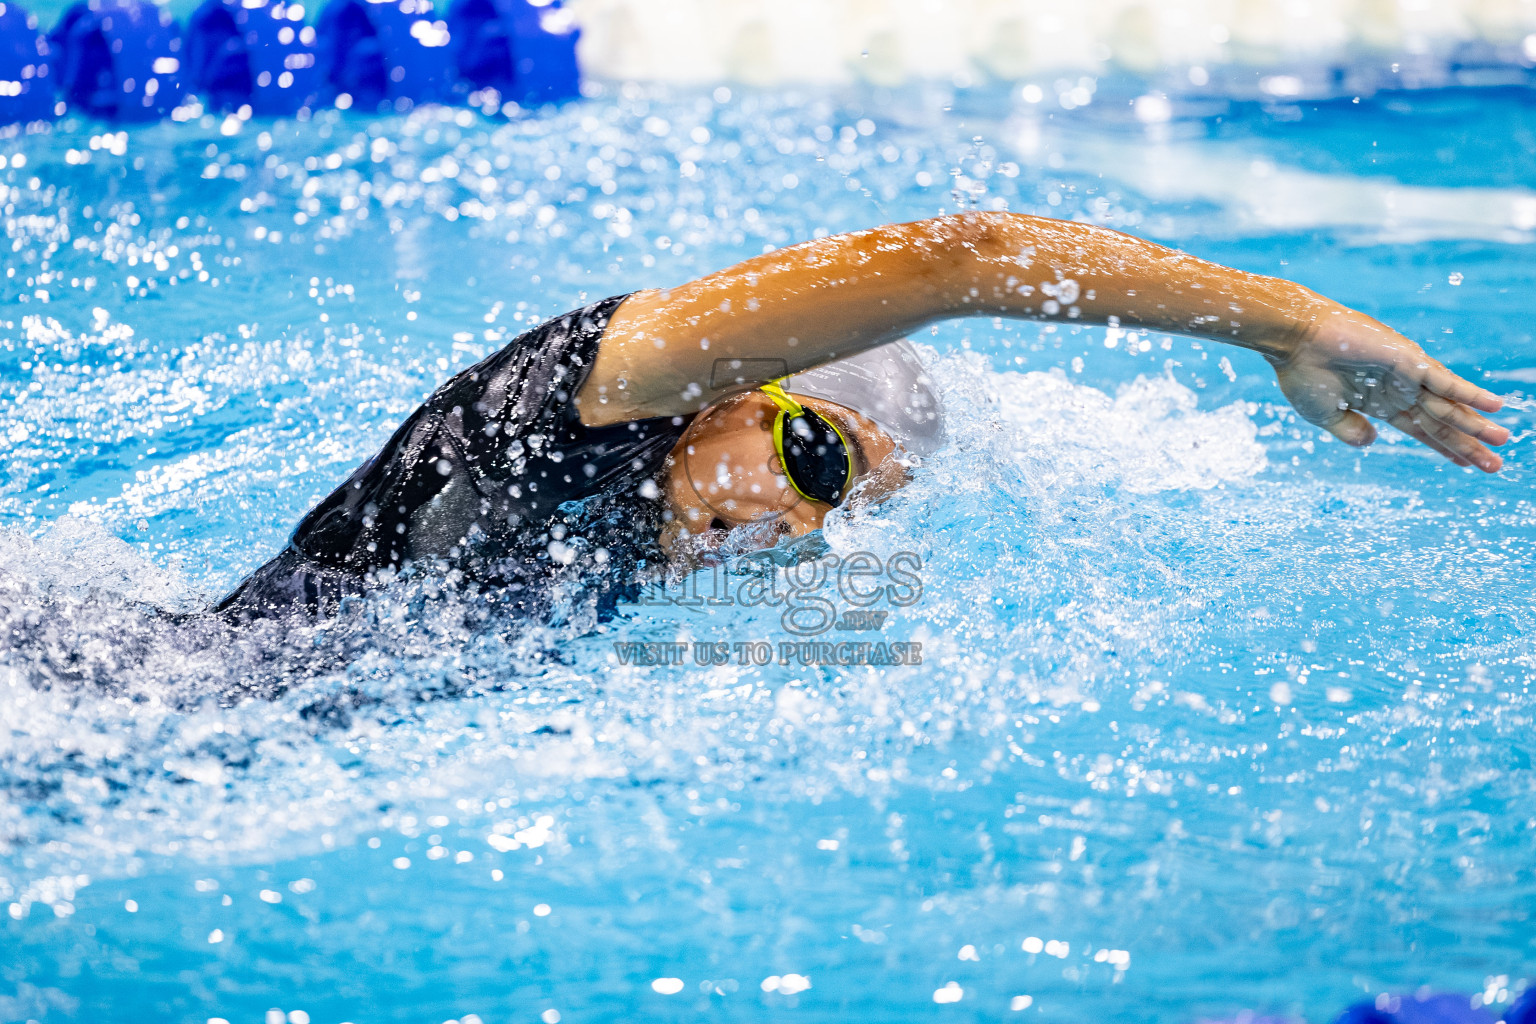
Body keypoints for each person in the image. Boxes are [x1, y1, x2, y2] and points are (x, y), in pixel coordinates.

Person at [216, 212, 1510, 622]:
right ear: (734, 391)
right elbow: (961, 256)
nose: (792, 519)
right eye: (813, 450)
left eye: (837, 502)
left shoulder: (661, 543)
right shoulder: (584, 398)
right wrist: (1289, 321)